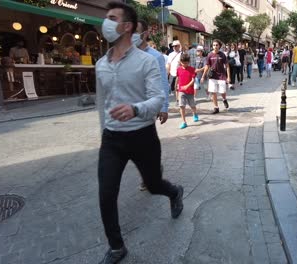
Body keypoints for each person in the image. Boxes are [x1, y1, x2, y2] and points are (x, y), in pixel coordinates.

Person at [95, 3, 184, 264]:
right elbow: (102, 102)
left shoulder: (147, 61)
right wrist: (103, 132)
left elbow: (158, 98)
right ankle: (116, 247)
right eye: (106, 18)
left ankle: (174, 192)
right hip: (112, 139)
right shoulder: (101, 64)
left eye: (112, 18)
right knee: (106, 193)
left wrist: (135, 109)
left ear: (128, 26)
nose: (106, 23)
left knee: (154, 184)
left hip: (142, 135)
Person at [133, 20, 171, 192]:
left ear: (145, 34)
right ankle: (153, 170)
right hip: (130, 106)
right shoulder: (126, 54)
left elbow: (163, 82)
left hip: (148, 106)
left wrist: (164, 107)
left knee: (143, 145)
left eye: (136, 31)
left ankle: (147, 176)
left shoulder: (155, 56)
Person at [202, 39, 230, 114]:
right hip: (212, 76)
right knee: (213, 92)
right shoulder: (209, 55)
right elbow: (207, 66)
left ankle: (224, 99)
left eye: (216, 45)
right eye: (214, 45)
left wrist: (228, 77)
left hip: (221, 76)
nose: (215, 47)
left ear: (219, 46)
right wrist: (203, 76)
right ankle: (216, 107)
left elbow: (227, 66)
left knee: (222, 91)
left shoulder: (222, 55)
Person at [176, 54, 199, 129]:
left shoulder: (192, 69)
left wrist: (187, 86)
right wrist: (176, 85)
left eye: (186, 63)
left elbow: (193, 80)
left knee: (192, 105)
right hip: (181, 90)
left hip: (190, 91)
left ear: (188, 62)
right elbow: (178, 77)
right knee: (181, 106)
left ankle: (195, 114)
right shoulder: (178, 69)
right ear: (181, 62)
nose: (184, 64)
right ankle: (184, 122)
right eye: (183, 63)